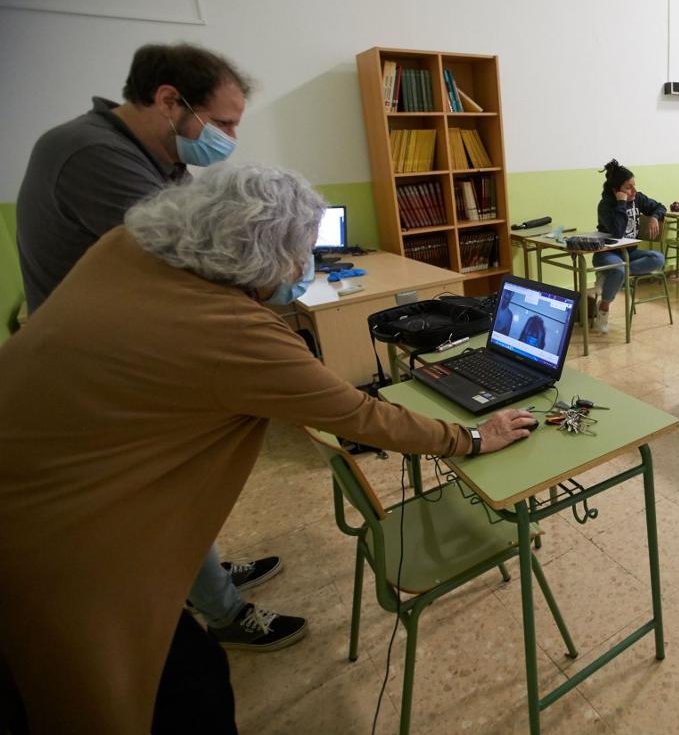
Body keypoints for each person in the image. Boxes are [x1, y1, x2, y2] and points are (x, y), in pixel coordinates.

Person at [0, 164, 539, 734]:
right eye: (302, 251)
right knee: (173, 692)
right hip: (61, 553)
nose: (306, 266)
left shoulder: (124, 247)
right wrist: (473, 437)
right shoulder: (233, 333)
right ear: (260, 253)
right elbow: (361, 415)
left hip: (35, 484)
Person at [12, 44, 304, 656]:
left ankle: (211, 584)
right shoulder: (93, 155)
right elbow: (187, 270)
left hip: (120, 352)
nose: (227, 138)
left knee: (177, 490)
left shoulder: (160, 159)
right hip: (93, 371)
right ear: (170, 101)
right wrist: (271, 279)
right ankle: (222, 612)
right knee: (162, 495)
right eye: (222, 123)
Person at [592, 159, 667, 333]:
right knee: (618, 269)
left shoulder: (638, 198)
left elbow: (660, 206)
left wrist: (655, 216)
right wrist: (621, 203)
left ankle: (609, 275)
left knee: (658, 259)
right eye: (628, 187)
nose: (634, 191)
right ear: (616, 190)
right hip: (606, 253)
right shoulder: (605, 206)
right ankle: (603, 307)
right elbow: (618, 232)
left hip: (629, 254)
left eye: (634, 186)